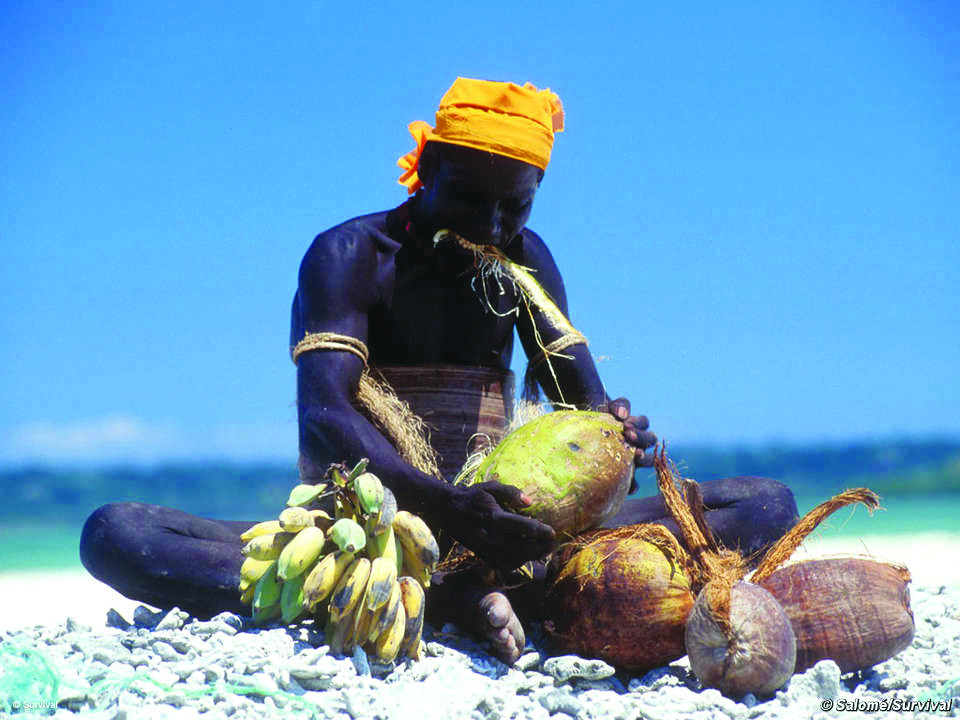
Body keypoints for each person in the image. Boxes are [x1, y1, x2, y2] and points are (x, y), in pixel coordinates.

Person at [81, 78, 798, 664]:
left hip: (507, 532)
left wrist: (618, 437)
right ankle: (447, 590)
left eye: (513, 206)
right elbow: (325, 414)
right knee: (116, 534)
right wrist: (445, 507)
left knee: (765, 507)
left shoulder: (525, 261)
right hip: (367, 530)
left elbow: (586, 408)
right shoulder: (349, 256)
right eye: (466, 197)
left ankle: (444, 593)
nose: (488, 225)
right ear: (424, 169)